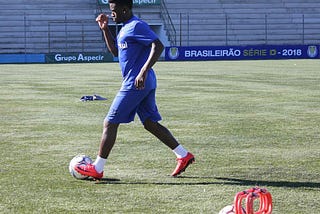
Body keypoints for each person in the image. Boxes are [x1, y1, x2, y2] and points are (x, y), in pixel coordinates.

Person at [75, 0, 194, 179]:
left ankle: (98, 168)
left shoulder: (137, 25)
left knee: (110, 122)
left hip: (135, 83)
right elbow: (115, 51)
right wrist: (105, 28)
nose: (112, 14)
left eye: (114, 11)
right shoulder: (124, 27)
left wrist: (143, 72)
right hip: (143, 82)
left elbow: (158, 45)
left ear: (125, 9)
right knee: (150, 123)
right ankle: (183, 155)